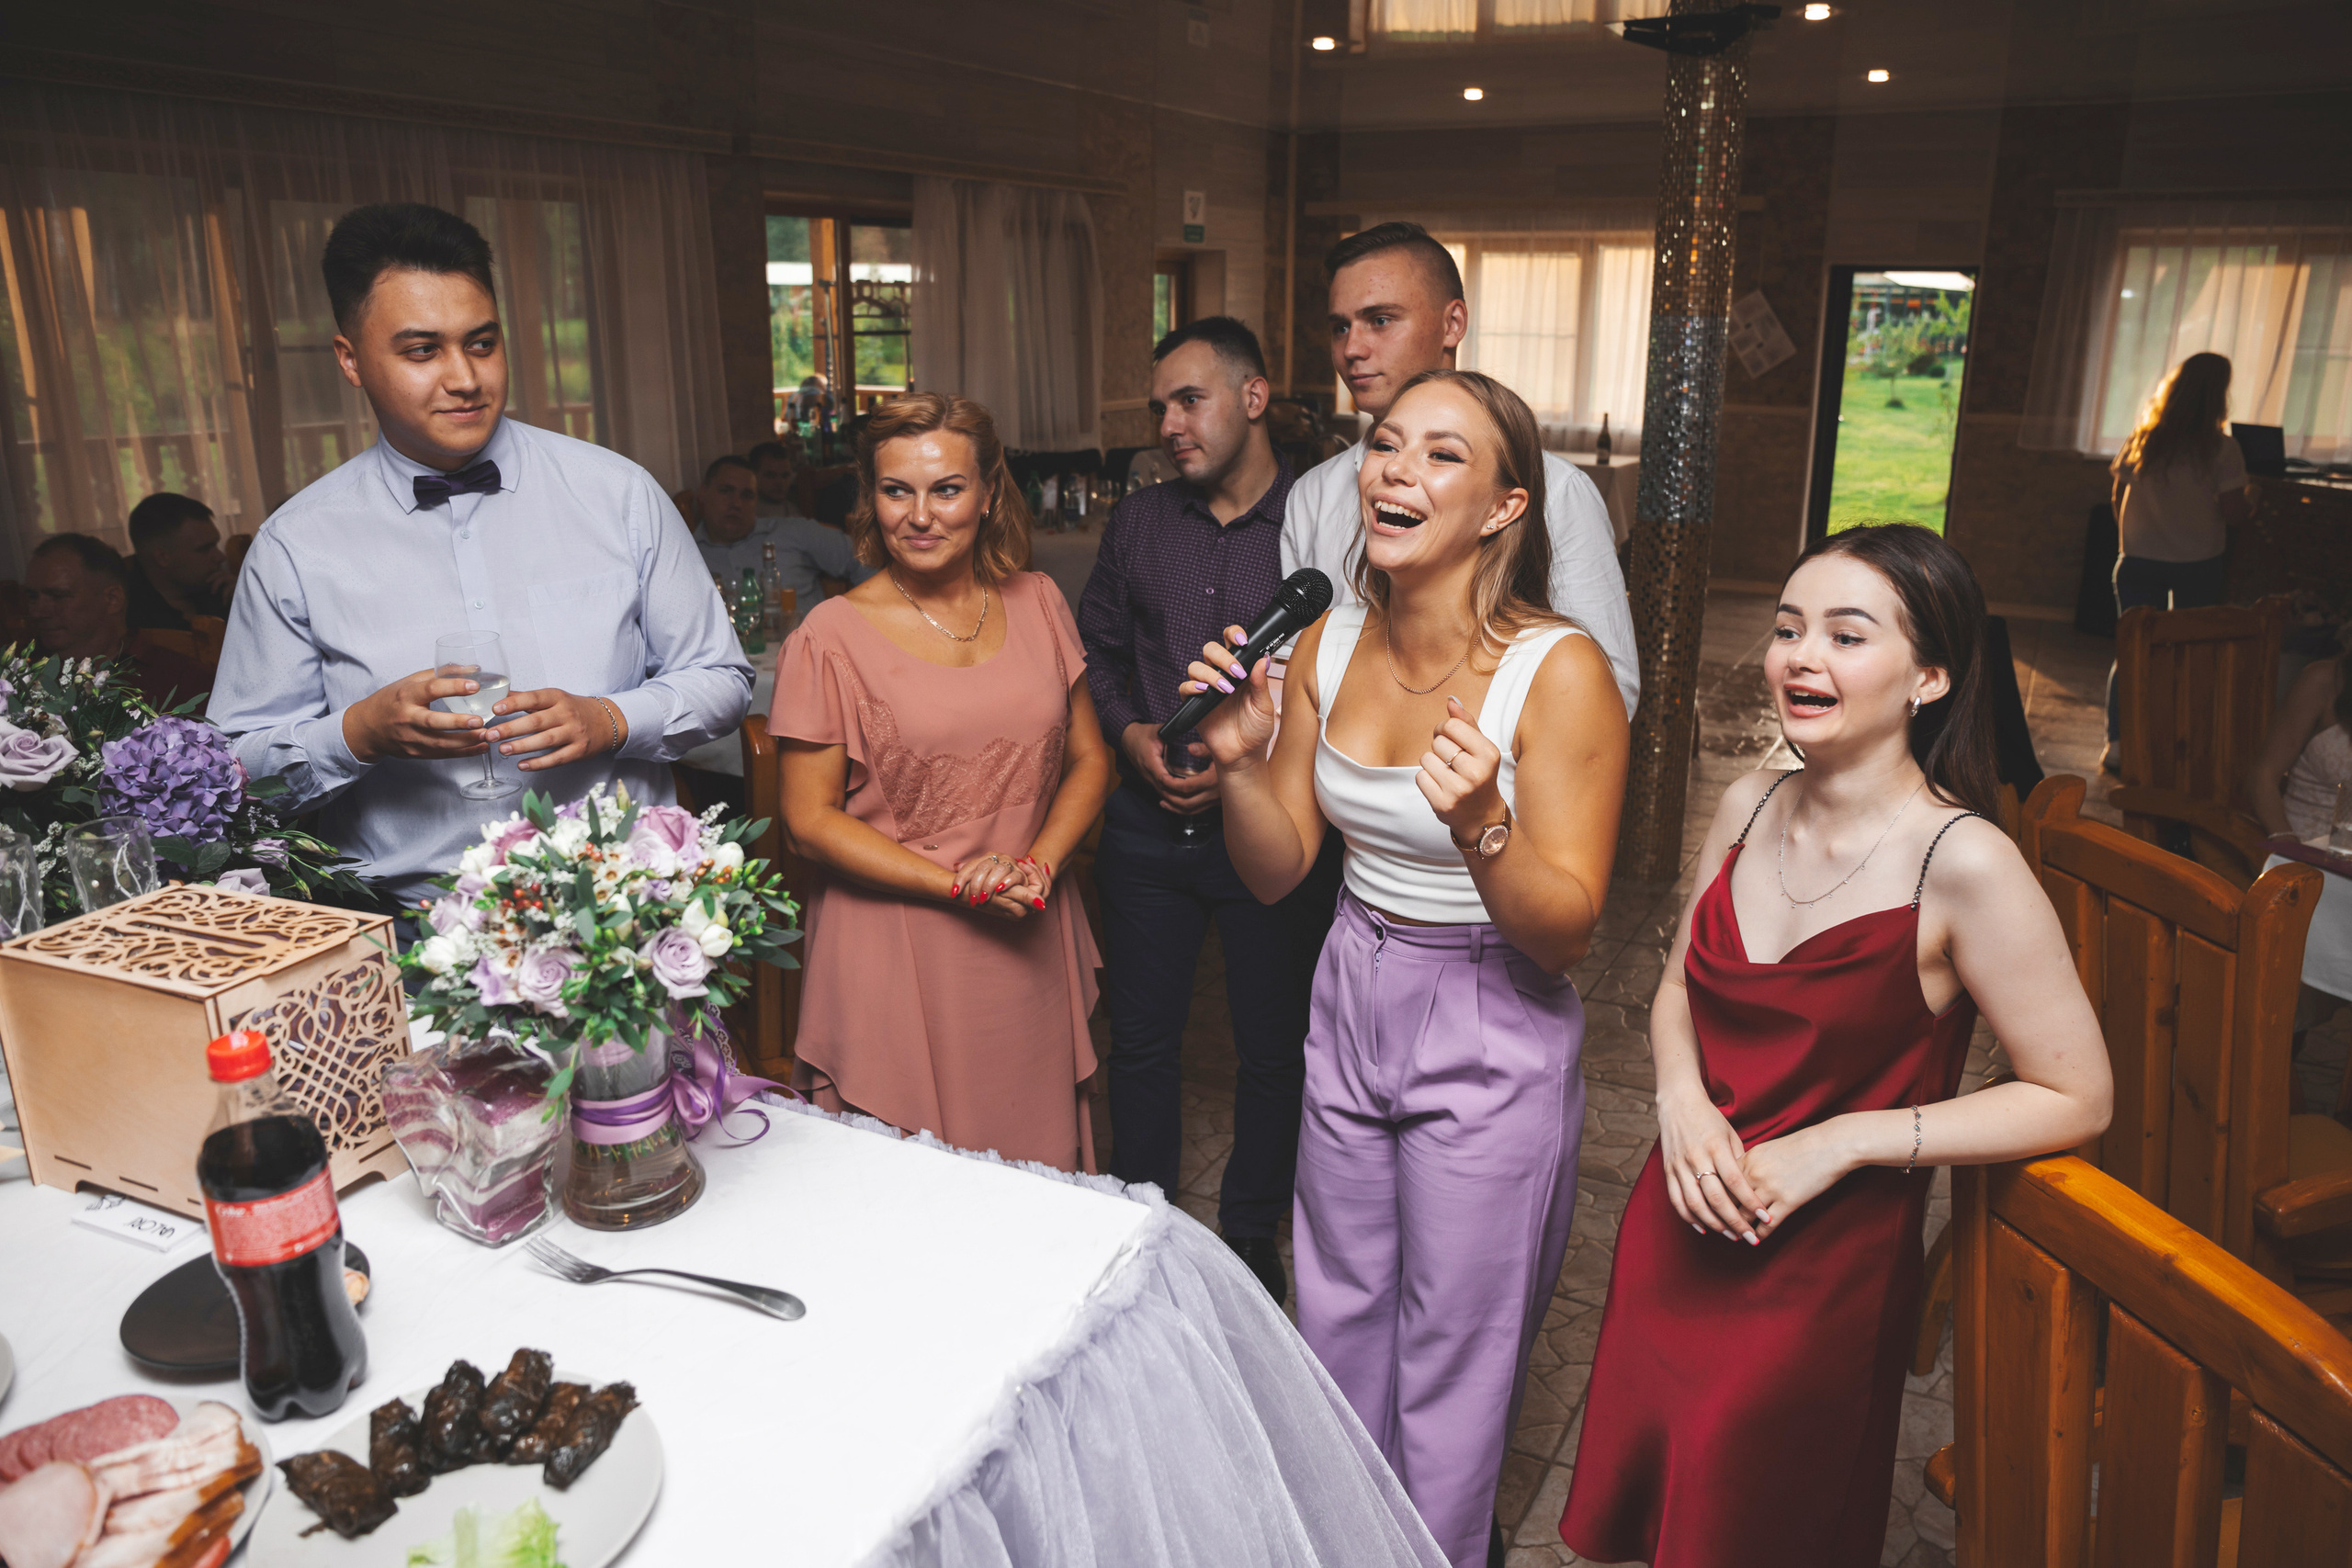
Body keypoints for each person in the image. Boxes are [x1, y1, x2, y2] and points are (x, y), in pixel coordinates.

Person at [1560, 524, 2113, 1568]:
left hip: (1817, 1276)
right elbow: (1678, 983)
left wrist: (1843, 1141)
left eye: (1845, 636)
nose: (1799, 657)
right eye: (1786, 628)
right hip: (1672, 1222)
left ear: (1930, 676)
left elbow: (2077, 1094)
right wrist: (1676, 1101)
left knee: (1753, 1527)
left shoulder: (1966, 864)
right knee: (1657, 1520)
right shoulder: (1745, 800)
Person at [1187, 369, 1628, 1567]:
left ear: (1503, 507)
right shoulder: (1327, 641)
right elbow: (1279, 869)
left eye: (1442, 455)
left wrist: (1485, 817)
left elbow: (1567, 930)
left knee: (1451, 1353)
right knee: (1335, 1313)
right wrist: (1238, 759)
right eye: (1387, 445)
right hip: (1351, 982)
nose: (1395, 471)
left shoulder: (1563, 671)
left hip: (1493, 1009)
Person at [209, 202, 752, 908]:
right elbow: (230, 770)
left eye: (483, 343)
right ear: (351, 360)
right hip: (402, 934)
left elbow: (723, 678)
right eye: (422, 351)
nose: (465, 377)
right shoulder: (296, 546)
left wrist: (609, 719)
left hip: (619, 924)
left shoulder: (618, 493)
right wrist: (357, 733)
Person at [773, 392, 1113, 1172]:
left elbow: (1092, 760)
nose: (920, 515)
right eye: (897, 491)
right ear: (873, 499)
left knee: (1039, 1182)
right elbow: (808, 821)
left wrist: (1038, 866)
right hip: (897, 948)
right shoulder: (830, 637)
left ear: (988, 493)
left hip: (1027, 929)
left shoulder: (1040, 601)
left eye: (946, 489)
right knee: (914, 1197)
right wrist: (957, 884)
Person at [1077, 316, 1340, 1304]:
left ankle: (1245, 1235)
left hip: (1269, 829)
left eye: (1189, 400)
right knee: (1141, 1039)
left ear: (1254, 397)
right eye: (1160, 407)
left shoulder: (1315, 528)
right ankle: (1142, 1224)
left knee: (1273, 1047)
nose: (1169, 423)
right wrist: (1132, 736)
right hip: (1147, 828)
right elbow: (1097, 648)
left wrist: (1259, 764)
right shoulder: (1140, 521)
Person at [1283, 221, 1639, 719]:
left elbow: (1608, 691)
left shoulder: (1555, 490)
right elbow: (1294, 672)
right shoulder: (1313, 494)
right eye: (1340, 326)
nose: (1352, 349)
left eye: (1380, 320)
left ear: (1453, 324)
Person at [2104, 351, 2253, 769]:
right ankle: (2180, 742)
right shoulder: (2223, 450)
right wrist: (2252, 501)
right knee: (2192, 652)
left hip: (2138, 558)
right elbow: (2233, 514)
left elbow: (2118, 497)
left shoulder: (2146, 438)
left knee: (2131, 650)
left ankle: (2117, 742)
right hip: (2198, 562)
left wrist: (2135, 537)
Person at [2246, 637, 2352, 1031]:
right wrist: (2285, 841)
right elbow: (2262, 776)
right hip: (2305, 841)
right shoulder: (2324, 680)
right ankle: (2281, 1035)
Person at [24, 534, 213, 711]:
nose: (38, 611)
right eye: (32, 597)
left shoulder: (180, 680)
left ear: (113, 599)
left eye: (58, 596)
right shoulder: (21, 675)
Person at [690, 454, 869, 607]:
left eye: (747, 495)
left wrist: (860, 619)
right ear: (703, 493)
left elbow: (866, 559)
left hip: (809, 644)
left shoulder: (793, 532)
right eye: (726, 491)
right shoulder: (686, 556)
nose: (736, 504)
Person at [124, 491, 233, 634]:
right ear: (163, 558)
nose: (220, 557)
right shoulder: (129, 620)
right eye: (204, 549)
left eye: (216, 545)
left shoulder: (223, 592)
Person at [748, 439, 806, 518]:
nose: (780, 482)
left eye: (785, 476)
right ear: (753, 476)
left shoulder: (794, 512)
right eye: (771, 476)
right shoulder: (744, 516)